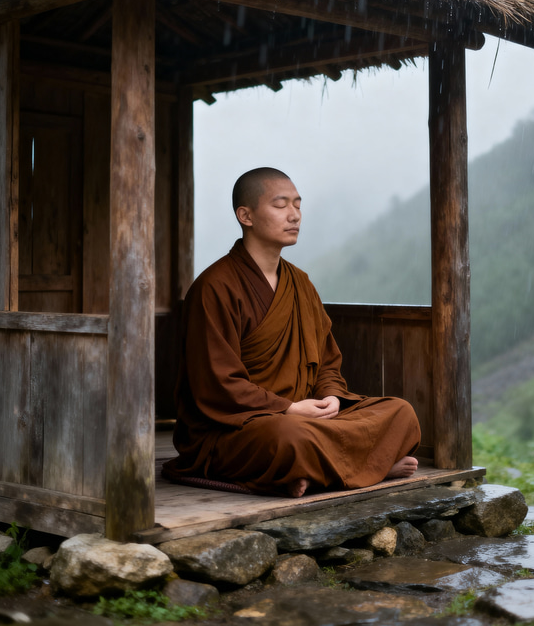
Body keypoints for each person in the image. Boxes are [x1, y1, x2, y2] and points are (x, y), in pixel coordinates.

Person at [163, 167, 421, 498]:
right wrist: (287, 408)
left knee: (400, 412)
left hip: (307, 416)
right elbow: (217, 384)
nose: (294, 215)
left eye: (298, 205)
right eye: (281, 205)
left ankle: (315, 472)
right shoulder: (215, 287)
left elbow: (327, 362)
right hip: (241, 426)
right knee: (289, 437)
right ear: (246, 215)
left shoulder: (300, 284)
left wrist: (330, 397)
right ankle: (371, 466)